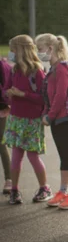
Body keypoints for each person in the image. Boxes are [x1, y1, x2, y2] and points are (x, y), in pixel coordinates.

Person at [2, 35, 52, 205]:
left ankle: (44, 187)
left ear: (21, 50)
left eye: (13, 50)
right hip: (16, 119)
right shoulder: (14, 70)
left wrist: (22, 94)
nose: (11, 53)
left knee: (33, 157)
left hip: (32, 121)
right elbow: (7, 89)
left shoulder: (37, 71)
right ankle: (14, 190)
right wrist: (8, 94)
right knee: (16, 157)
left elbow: (43, 98)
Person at [36, 34, 68, 210]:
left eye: (40, 49)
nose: (38, 53)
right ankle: (64, 191)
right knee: (63, 155)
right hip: (57, 117)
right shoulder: (54, 68)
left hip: (64, 117)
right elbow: (49, 95)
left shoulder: (63, 69)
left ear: (50, 48)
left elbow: (61, 96)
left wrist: (50, 115)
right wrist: (46, 112)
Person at [0, 55, 12, 195]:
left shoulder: (3, 66)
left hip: (1, 109)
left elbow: (6, 88)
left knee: (1, 145)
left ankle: (9, 179)